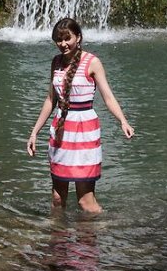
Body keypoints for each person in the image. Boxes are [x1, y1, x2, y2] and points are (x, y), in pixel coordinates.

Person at [26, 17, 134, 213]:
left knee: (86, 203)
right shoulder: (56, 62)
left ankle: (98, 236)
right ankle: (58, 240)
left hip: (84, 132)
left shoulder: (93, 62)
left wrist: (123, 121)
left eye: (67, 38)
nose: (63, 44)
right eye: (59, 40)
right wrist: (34, 132)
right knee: (57, 200)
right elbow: (51, 100)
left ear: (79, 37)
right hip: (61, 131)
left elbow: (108, 97)